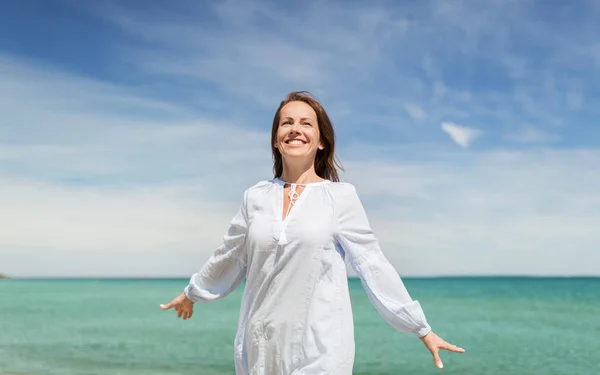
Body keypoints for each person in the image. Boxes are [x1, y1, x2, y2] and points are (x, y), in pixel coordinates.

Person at [160, 91, 465, 374]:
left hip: (320, 349)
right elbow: (229, 255)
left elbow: (373, 265)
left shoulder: (340, 197)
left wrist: (419, 327)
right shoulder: (255, 197)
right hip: (261, 347)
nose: (295, 128)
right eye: (286, 123)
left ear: (321, 141)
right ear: (276, 140)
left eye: (306, 123)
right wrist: (193, 293)